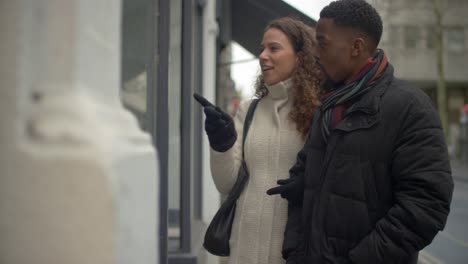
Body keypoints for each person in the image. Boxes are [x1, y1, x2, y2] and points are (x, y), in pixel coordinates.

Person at [267, 1, 454, 263]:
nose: (316, 53)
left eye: (322, 43)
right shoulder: (329, 105)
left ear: (356, 47)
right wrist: (294, 250)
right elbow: (302, 175)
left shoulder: (411, 107)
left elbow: (426, 206)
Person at [194, 17, 322, 264]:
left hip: (293, 253)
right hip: (242, 249)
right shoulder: (248, 110)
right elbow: (227, 185)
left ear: (301, 56)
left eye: (273, 48)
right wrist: (221, 144)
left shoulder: (321, 112)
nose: (262, 55)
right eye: (262, 48)